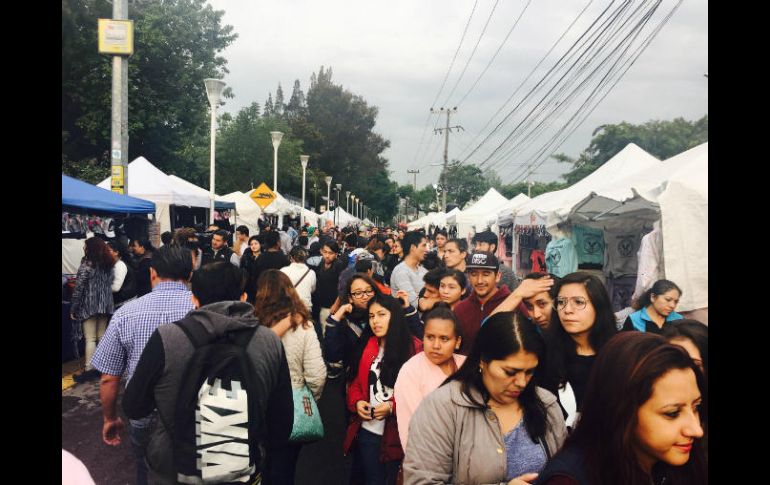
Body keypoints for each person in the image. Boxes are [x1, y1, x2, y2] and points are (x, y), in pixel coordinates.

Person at [122, 262, 294, 485]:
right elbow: (282, 422)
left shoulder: (167, 338)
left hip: (174, 467)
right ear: (243, 297)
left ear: (194, 299)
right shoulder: (269, 340)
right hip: (240, 468)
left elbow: (134, 406)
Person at [403, 311, 567, 485]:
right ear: (482, 360)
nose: (521, 382)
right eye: (510, 372)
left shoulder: (545, 404)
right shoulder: (442, 408)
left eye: (529, 372)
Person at [537, 332, 706, 485]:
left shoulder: (679, 464)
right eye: (672, 413)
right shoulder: (569, 480)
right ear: (620, 409)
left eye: (696, 407)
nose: (696, 430)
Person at [91, 246, 194, 485]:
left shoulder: (126, 313)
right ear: (189, 275)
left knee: (146, 469)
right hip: (193, 412)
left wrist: (110, 418)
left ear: (152, 273)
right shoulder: (202, 310)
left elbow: (109, 377)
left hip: (144, 414)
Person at [253, 269, 327, 483]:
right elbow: (316, 374)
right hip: (292, 403)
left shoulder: (253, 324)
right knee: (285, 468)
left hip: (260, 402)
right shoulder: (303, 325)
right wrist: (310, 398)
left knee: (259, 463)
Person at [344, 294, 422, 485]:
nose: (375, 321)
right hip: (368, 431)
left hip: (398, 435)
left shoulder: (414, 348)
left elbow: (421, 392)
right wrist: (357, 402)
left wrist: (391, 407)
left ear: (394, 315)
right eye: (371, 316)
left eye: (381, 314)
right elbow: (356, 383)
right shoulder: (369, 344)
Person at [540, 272, 617, 429]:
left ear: (598, 305)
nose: (567, 310)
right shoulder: (544, 351)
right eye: (561, 302)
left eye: (578, 302)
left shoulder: (618, 353)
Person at [393, 304, 466, 450]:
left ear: (457, 342)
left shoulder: (466, 365)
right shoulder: (411, 371)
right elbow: (412, 429)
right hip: (428, 461)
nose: (436, 345)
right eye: (430, 337)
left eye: (444, 339)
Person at [71, 237, 116, 383]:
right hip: (105, 305)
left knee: (90, 338)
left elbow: (79, 288)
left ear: (90, 248)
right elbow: (110, 282)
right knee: (101, 336)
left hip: (89, 305)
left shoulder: (86, 265)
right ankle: (103, 365)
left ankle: (90, 368)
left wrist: (74, 308)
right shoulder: (109, 264)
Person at [453, 251, 512, 355]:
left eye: (486, 274)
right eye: (474, 274)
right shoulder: (460, 309)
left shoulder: (513, 304)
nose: (479, 281)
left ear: (498, 276)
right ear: (468, 277)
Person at [489, 272, 557, 330]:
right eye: (530, 307)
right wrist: (517, 294)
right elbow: (487, 327)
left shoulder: (567, 331)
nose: (536, 315)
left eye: (542, 304)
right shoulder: (527, 331)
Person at [312, 240, 347, 337]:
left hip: (332, 307)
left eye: (330, 253)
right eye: (325, 252)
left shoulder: (339, 265)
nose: (327, 255)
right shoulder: (322, 263)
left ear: (336, 254)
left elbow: (343, 288)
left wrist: (336, 304)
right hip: (322, 305)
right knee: (324, 332)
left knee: (331, 333)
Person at [389, 231, 429, 308]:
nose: (426, 250)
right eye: (423, 246)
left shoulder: (423, 270)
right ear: (413, 247)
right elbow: (414, 304)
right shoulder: (401, 272)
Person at [280, 246, 317, 312]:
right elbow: (312, 290)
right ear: (305, 258)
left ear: (291, 257)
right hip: (305, 307)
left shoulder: (283, 271)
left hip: (288, 307)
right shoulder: (311, 273)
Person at [107, 240, 137, 310]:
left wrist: (100, 289)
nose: (105, 253)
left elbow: (115, 288)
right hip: (122, 301)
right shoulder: (114, 264)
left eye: (108, 250)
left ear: (116, 253)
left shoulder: (120, 265)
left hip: (125, 303)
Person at [240, 235, 262, 303]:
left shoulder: (264, 257)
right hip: (248, 287)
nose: (253, 246)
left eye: (256, 243)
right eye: (251, 244)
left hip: (261, 286)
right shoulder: (245, 257)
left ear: (260, 244)